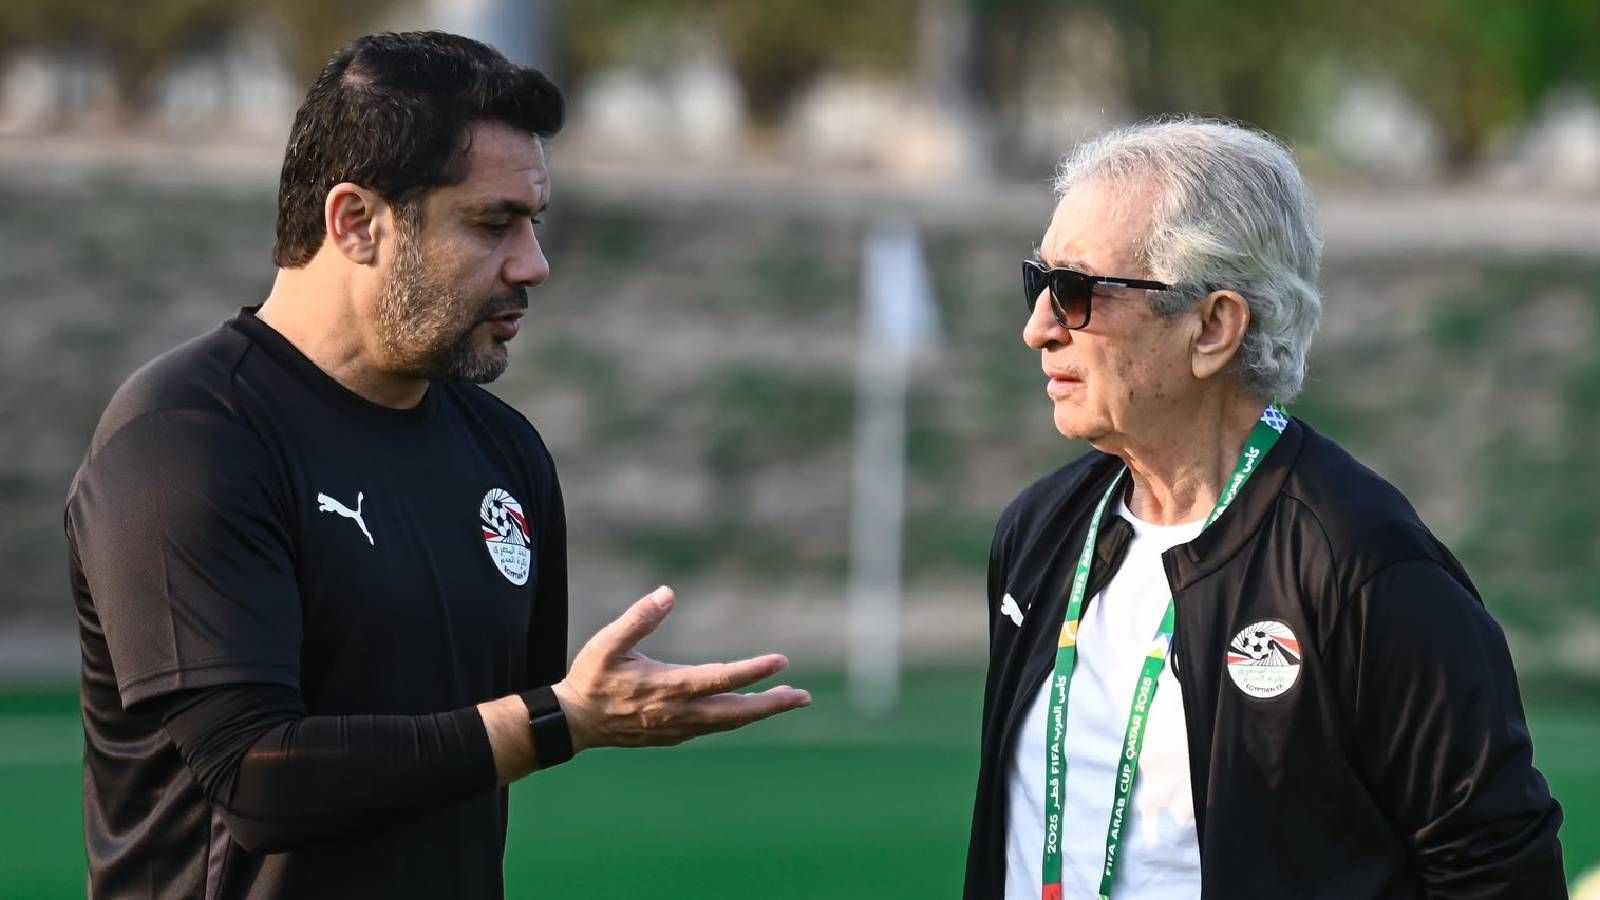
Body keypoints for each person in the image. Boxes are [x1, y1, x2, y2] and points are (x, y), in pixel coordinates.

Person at [66, 31, 810, 900]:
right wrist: (561, 720)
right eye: (493, 224)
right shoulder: (187, 438)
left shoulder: (505, 454)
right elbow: (256, 775)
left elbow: (488, 727)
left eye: (533, 224)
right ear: (357, 223)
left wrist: (564, 711)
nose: (534, 264)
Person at [963, 118, 1566, 899]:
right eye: (1037, 283)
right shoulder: (1040, 531)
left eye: (1075, 292)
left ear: (1213, 328)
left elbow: (1496, 871)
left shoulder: (1363, 564)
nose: (1037, 328)